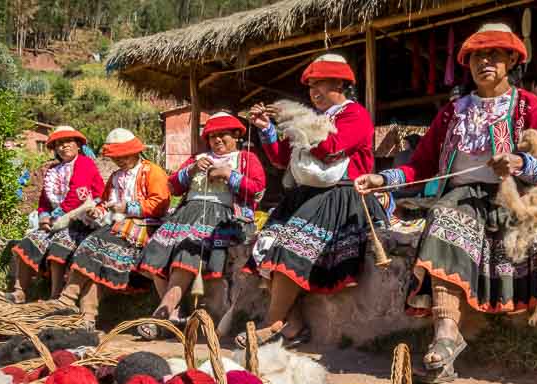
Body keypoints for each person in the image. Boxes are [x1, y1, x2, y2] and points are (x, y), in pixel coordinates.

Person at [355, 23, 537, 383]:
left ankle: (449, 341)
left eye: (495, 55)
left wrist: (519, 163)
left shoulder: (530, 108)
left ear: (511, 60)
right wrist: (382, 179)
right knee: (444, 220)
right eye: (478, 56)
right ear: (467, 64)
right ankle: (446, 339)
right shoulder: (453, 112)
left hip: (510, 200)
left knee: (447, 216)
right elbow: (420, 165)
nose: (485, 62)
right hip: (459, 199)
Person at [241, 53, 386, 347]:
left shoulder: (354, 115)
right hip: (307, 195)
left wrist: (298, 120)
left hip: (342, 195)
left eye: (321, 84)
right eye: (311, 86)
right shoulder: (316, 118)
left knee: (290, 244)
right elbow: (282, 159)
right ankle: (292, 325)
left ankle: (271, 323)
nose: (314, 92)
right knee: (268, 244)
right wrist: (267, 128)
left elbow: (332, 148)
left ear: (341, 84)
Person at [137, 112, 266, 339]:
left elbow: (257, 189)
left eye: (223, 135)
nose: (217, 140)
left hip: (222, 217)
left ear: (236, 135)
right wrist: (192, 170)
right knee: (157, 252)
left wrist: (228, 174)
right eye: (212, 136)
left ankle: (161, 315)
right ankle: (174, 313)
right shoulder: (198, 158)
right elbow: (173, 187)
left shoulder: (245, 158)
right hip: (186, 214)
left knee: (187, 253)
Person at [55, 129, 171, 330]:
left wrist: (128, 208)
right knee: (93, 258)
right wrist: (98, 213)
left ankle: (68, 299)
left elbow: (160, 203)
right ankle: (87, 316)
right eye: (117, 158)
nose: (121, 161)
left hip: (142, 228)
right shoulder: (116, 177)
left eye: (124, 156)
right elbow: (106, 202)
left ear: (135, 152)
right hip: (116, 227)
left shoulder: (153, 172)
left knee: (94, 245)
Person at [5, 126, 105, 304]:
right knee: (29, 242)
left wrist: (54, 217)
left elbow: (76, 197)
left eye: (68, 142)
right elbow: (44, 201)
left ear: (78, 145)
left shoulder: (84, 163)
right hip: (57, 220)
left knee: (59, 245)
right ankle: (19, 292)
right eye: (59, 144)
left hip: (83, 219)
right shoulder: (53, 170)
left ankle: (55, 296)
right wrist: (43, 216)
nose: (63, 146)